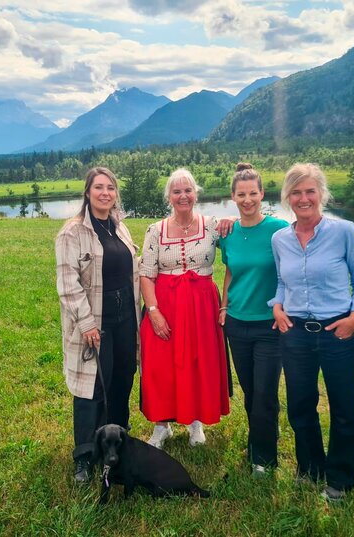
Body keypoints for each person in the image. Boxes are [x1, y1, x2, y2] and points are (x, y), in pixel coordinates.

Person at [269, 163, 354, 502]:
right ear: (287, 198)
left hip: (337, 332)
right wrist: (277, 306)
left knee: (344, 407)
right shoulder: (280, 239)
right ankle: (310, 467)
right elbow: (283, 281)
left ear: (321, 194)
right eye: (296, 192)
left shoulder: (344, 231)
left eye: (309, 191)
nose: (303, 198)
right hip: (296, 334)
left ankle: (341, 477)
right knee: (300, 405)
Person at [55, 167, 140, 484]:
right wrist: (88, 323)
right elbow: (68, 285)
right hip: (96, 324)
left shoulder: (121, 228)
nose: (105, 193)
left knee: (121, 380)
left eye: (111, 188)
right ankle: (85, 456)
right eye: (99, 188)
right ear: (88, 192)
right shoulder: (72, 233)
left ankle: (117, 444)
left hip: (125, 321)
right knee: (92, 390)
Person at [140, 168, 230, 449]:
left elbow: (243, 236)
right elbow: (146, 273)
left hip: (202, 305)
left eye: (188, 190)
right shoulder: (155, 231)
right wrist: (153, 310)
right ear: (169, 196)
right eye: (177, 191)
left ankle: (195, 421)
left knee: (197, 360)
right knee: (161, 364)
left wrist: (232, 219)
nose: (183, 196)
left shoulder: (214, 226)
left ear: (196, 194)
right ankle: (162, 424)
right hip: (165, 304)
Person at [218, 163, 288, 477]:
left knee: (265, 392)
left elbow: (290, 271)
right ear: (233, 196)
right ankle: (263, 434)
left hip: (269, 325)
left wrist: (284, 305)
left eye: (253, 193)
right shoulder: (228, 233)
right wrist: (223, 306)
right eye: (241, 194)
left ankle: (264, 458)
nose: (248, 200)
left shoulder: (278, 229)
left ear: (262, 194)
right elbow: (230, 270)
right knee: (250, 390)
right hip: (236, 322)